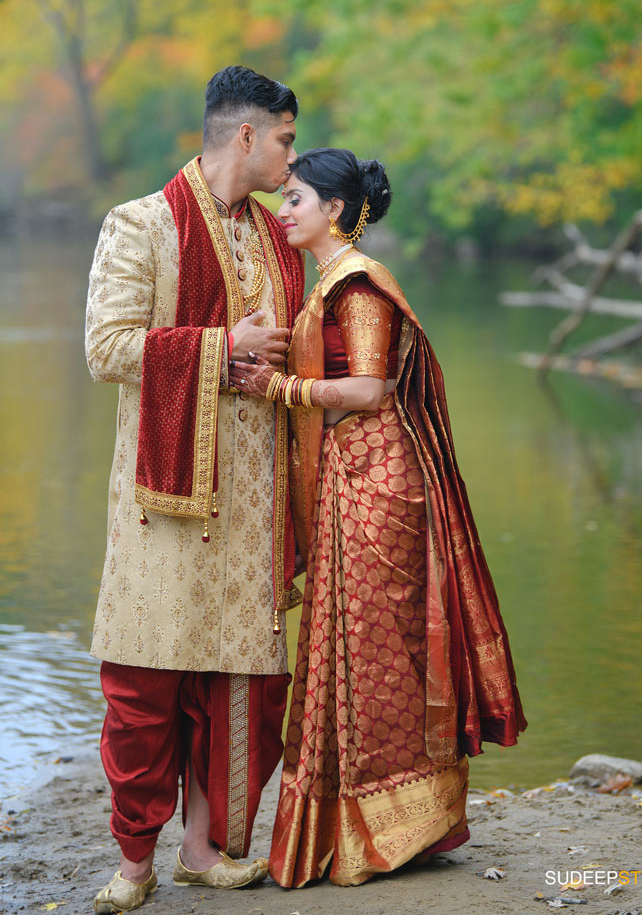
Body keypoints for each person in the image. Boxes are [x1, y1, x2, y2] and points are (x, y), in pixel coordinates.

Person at [228, 147, 527, 888]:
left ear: (333, 209)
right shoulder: (325, 281)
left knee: (378, 650)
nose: (284, 209)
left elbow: (368, 387)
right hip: (349, 473)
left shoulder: (358, 285)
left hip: (379, 479)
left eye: (295, 198)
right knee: (357, 648)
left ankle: (396, 827)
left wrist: (279, 389)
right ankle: (379, 822)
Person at [85, 66, 306, 913]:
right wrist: (220, 347)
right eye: (285, 138)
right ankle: (134, 864)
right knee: (145, 685)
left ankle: (204, 850)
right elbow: (106, 347)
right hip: (163, 502)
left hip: (255, 497)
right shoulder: (140, 223)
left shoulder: (280, 235)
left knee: (235, 683)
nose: (293, 156)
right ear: (245, 136)